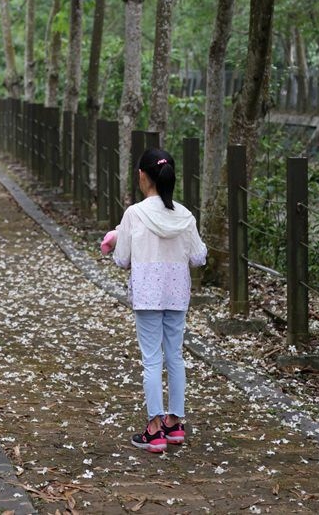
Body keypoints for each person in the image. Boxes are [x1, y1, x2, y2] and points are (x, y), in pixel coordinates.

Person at [102, 148, 206, 453]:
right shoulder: (185, 215)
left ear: (142, 176)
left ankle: (154, 429)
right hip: (177, 294)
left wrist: (116, 239)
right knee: (174, 356)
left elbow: (122, 260)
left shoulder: (134, 214)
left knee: (151, 359)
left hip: (148, 294)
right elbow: (199, 257)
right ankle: (175, 423)